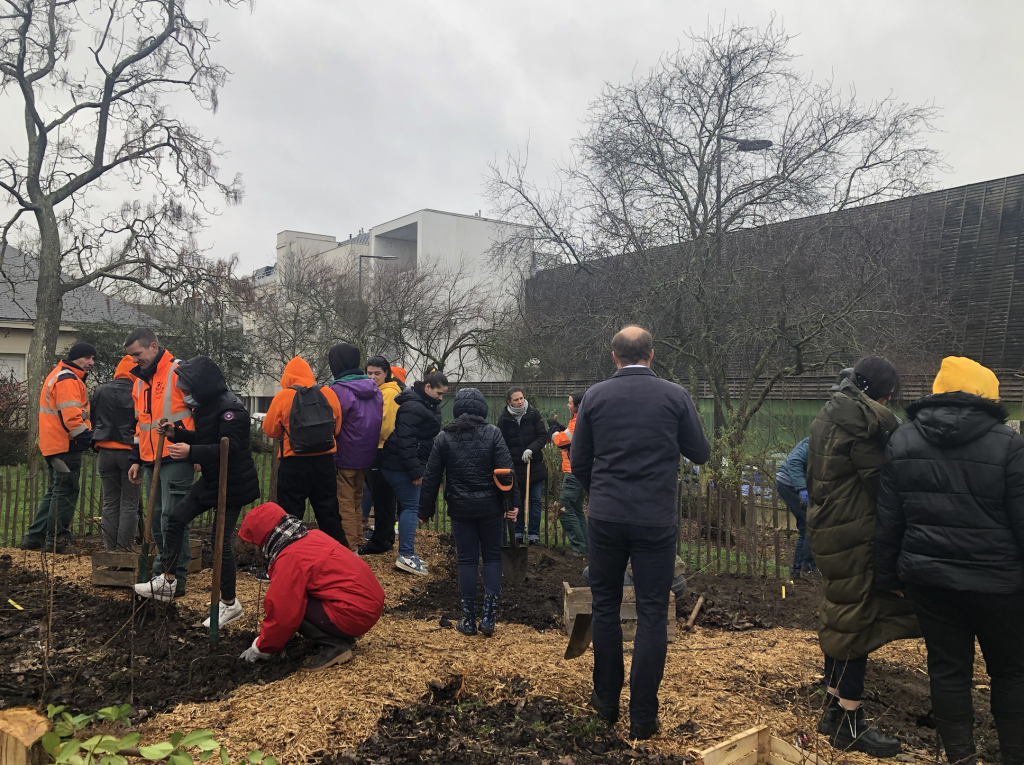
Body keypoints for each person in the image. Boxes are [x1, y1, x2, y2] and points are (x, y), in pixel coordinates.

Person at [875, 357, 1024, 765]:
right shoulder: (1009, 444)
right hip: (1000, 584)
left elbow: (889, 517)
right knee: (1012, 672)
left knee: (947, 671)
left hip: (930, 580)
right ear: (986, 396)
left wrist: (888, 576)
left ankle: (961, 757)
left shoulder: (903, 440)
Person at [570, 326, 710, 740]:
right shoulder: (675, 396)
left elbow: (579, 461)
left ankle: (606, 702)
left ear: (614, 356)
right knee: (652, 612)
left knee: (606, 606)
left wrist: (600, 494)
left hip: (607, 517)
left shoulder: (595, 396)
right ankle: (644, 717)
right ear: (651, 354)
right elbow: (701, 452)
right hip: (655, 518)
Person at [806, 355, 920, 758]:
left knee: (840, 613)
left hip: (828, 527)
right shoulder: (866, 426)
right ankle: (849, 724)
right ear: (886, 393)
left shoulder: (829, 413)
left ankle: (832, 710)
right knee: (855, 622)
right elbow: (880, 486)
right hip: (855, 534)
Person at [134, 357, 260, 630]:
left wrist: (191, 452)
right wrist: (177, 433)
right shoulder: (207, 406)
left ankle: (230, 603)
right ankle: (168, 580)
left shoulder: (231, 409)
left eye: (189, 390)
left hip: (233, 483)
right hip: (214, 477)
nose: (186, 396)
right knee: (176, 518)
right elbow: (207, 439)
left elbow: (230, 447)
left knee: (219, 542)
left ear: (202, 385)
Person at [418, 388, 520, 636]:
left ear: (457, 410)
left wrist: (425, 510)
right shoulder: (493, 433)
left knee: (466, 560)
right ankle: (489, 619)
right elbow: (507, 471)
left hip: (460, 509)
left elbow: (431, 477)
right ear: (482, 409)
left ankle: (468, 620)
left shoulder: (445, 437)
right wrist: (513, 504)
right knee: (492, 558)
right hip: (491, 508)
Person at [237, 502, 385, 671]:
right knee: (298, 597)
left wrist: (261, 648)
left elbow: (283, 613)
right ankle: (342, 635)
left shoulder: (290, 556)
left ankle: (334, 646)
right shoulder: (310, 536)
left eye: (253, 545)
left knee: (293, 605)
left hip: (355, 612)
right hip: (366, 604)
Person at [124, 328, 195, 597]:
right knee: (156, 520)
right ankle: (161, 575)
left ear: (153, 346)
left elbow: (199, 414)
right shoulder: (139, 381)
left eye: (138, 354)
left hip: (176, 455)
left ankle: (175, 579)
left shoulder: (180, 372)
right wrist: (135, 457)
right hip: (150, 459)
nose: (135, 360)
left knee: (172, 519)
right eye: (131, 356)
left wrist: (197, 451)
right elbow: (140, 424)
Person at [262, 356, 347, 548]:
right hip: (324, 462)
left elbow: (270, 430)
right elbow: (336, 429)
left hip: (294, 463)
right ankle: (339, 556)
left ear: (287, 377)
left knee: (290, 518)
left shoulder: (283, 396)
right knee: (329, 513)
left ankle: (288, 557)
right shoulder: (328, 393)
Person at [21, 343, 95, 553]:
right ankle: (58, 541)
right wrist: (87, 438)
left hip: (53, 444)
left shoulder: (59, 374)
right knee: (65, 492)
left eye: (93, 358)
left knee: (56, 490)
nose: (91, 362)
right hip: (66, 445)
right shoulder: (68, 379)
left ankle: (34, 538)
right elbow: (71, 417)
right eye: (87, 357)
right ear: (75, 358)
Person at [381, 367, 448, 575]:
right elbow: (406, 441)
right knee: (412, 506)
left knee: (410, 506)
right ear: (428, 387)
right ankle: (406, 556)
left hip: (403, 463)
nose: (441, 398)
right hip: (399, 465)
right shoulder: (413, 406)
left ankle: (409, 553)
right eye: (439, 393)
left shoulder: (424, 403)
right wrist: (416, 471)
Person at [328, 343, 383, 551]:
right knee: (356, 499)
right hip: (365, 455)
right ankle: (358, 539)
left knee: (344, 503)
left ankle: (350, 547)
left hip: (343, 455)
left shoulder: (339, 390)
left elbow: (333, 421)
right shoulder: (374, 389)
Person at [91, 355, 141, 551]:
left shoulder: (101, 390)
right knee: (129, 504)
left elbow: (94, 419)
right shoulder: (138, 391)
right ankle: (124, 551)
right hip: (129, 453)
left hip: (104, 451)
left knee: (109, 503)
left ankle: (109, 550)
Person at [358, 355, 403, 555]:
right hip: (377, 447)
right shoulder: (378, 391)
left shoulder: (389, 393)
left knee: (382, 497)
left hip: (381, 448)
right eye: (369, 373)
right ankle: (385, 536)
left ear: (386, 374)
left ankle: (381, 540)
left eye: (377, 373)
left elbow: (385, 425)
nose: (373, 377)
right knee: (382, 496)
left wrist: (364, 434)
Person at [497, 387, 548, 545]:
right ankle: (518, 534)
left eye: (521, 398)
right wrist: (513, 456)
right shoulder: (504, 419)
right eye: (516, 399)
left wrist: (531, 449)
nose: (520, 402)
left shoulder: (533, 414)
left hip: (534, 465)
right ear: (509, 402)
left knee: (535, 501)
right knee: (517, 502)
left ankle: (533, 536)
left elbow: (542, 436)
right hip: (515, 468)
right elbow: (501, 443)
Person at [550, 390, 588, 556]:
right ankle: (587, 547)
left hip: (573, 471)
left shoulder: (579, 420)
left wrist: (553, 430)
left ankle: (579, 548)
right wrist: (561, 428)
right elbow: (572, 437)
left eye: (570, 402)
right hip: (581, 470)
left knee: (564, 508)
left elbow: (562, 441)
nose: (568, 405)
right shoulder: (581, 418)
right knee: (577, 510)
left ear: (578, 406)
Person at [775, 437, 815, 579]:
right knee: (811, 525)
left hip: (788, 484)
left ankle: (797, 571)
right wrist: (802, 489)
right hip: (789, 484)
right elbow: (794, 462)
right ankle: (808, 568)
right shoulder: (812, 442)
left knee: (806, 527)